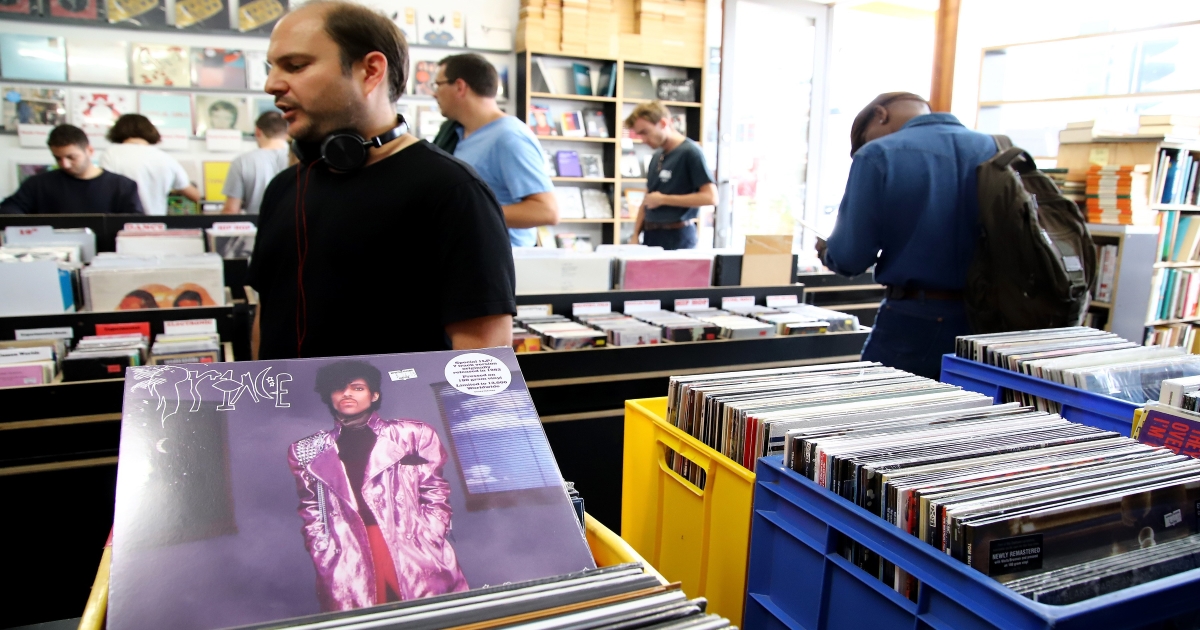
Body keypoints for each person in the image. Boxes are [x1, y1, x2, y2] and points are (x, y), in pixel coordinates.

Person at [248, 0, 516, 360]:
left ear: (370, 71)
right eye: (272, 68)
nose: (271, 85)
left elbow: (483, 358)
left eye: (295, 66)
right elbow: (267, 316)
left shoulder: (452, 191)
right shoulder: (283, 188)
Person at [815, 92, 997, 380]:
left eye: (864, 139)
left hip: (915, 319)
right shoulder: (994, 147)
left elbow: (850, 257)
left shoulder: (877, 154)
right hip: (993, 319)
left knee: (877, 403)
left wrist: (828, 252)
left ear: (880, 115)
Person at [288, 360, 468, 610]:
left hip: (412, 546)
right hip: (348, 554)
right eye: (339, 388)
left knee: (431, 617)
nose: (347, 394)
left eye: (357, 388)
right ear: (329, 395)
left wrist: (430, 534)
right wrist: (323, 550)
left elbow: (436, 491)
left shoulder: (414, 434)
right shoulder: (306, 450)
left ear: (374, 395)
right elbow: (311, 508)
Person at [433, 53, 558, 247]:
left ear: (459, 86)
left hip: (498, 258)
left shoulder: (510, 137)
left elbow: (547, 211)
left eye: (438, 85)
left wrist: (467, 213)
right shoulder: (454, 133)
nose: (434, 93)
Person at [623, 101, 716, 250]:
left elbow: (711, 197)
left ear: (663, 123)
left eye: (645, 132)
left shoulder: (691, 152)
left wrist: (664, 199)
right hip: (651, 235)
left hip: (677, 236)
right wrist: (635, 235)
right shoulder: (657, 156)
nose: (643, 140)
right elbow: (648, 199)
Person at [1, 124, 143, 215]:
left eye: (71, 157)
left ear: (89, 151)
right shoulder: (37, 185)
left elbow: (134, 225)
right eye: (58, 158)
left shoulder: (122, 186)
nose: (65, 164)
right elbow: (9, 209)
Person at [98, 114, 201, 216]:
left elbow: (103, 189)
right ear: (150, 130)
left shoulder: (111, 154)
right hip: (157, 222)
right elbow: (195, 196)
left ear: (117, 130)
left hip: (121, 222)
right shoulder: (166, 158)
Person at [222, 111, 290, 214]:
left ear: (258, 131)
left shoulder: (242, 162)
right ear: (287, 132)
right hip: (293, 223)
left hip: (257, 222)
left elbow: (231, 210)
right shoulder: (299, 159)